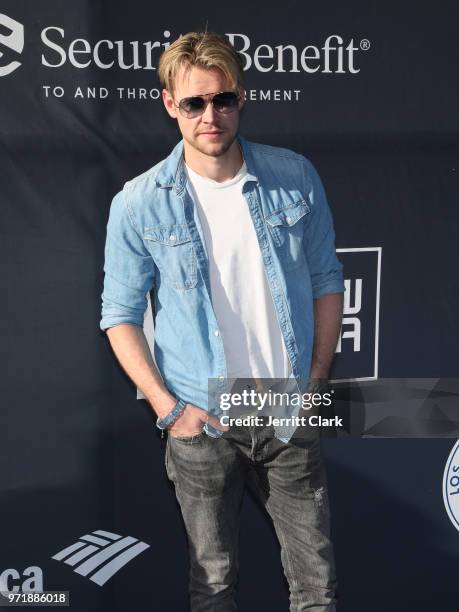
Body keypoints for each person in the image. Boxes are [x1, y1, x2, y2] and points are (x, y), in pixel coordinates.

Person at [100, 30, 344, 612]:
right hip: (200, 418)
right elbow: (119, 315)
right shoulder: (139, 202)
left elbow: (325, 281)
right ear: (169, 103)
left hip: (285, 408)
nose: (211, 115)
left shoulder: (294, 177)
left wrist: (313, 378)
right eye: (194, 102)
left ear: (241, 99)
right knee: (212, 586)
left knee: (317, 585)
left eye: (223, 99)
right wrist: (169, 408)